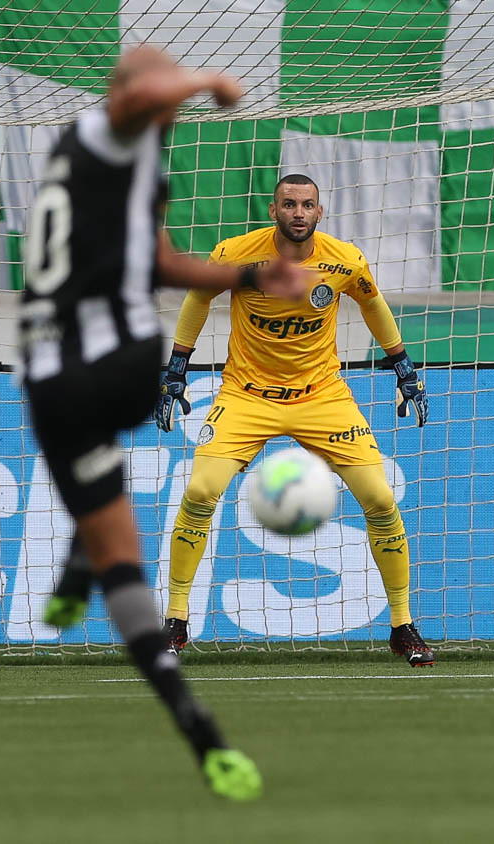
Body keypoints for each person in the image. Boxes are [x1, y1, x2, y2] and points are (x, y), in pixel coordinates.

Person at [27, 46, 305, 800]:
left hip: (52, 382)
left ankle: (202, 735)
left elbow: (163, 263)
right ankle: (86, 559)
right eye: (168, 103)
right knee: (136, 388)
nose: (174, 113)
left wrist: (253, 277)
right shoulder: (100, 132)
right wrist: (206, 80)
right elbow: (132, 98)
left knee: (123, 565)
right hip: (103, 368)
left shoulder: (129, 168)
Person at [153, 173, 436, 666]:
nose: (298, 213)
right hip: (246, 396)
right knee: (199, 491)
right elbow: (198, 299)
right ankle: (175, 620)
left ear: (319, 213)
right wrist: (175, 369)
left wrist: (404, 368)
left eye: (307, 205)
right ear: (273, 210)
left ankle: (402, 625)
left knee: (381, 500)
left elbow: (375, 305)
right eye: (289, 204)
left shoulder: (343, 259)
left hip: (322, 396)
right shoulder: (236, 253)